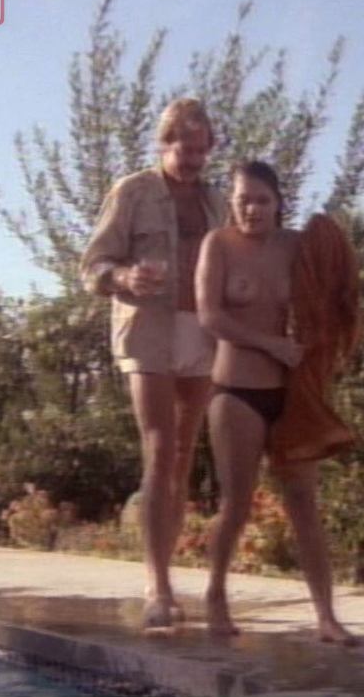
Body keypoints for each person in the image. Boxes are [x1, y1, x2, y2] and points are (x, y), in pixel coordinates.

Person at [195, 160, 361, 644]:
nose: (252, 209)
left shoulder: (297, 246)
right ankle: (215, 595)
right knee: (237, 503)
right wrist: (270, 344)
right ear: (231, 201)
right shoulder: (218, 244)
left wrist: (326, 346)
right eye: (243, 200)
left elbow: (336, 296)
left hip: (292, 394)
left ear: (279, 203)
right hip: (236, 391)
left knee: (304, 503)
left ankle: (326, 615)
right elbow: (211, 316)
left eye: (262, 200)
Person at [80, 99, 227, 630]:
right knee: (160, 450)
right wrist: (123, 277)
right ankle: (156, 586)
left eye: (200, 150)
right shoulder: (133, 192)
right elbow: (92, 265)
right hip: (148, 331)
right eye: (184, 149)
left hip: (201, 332)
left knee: (184, 456)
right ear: (164, 145)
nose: (192, 160)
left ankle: (169, 577)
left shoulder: (216, 201)